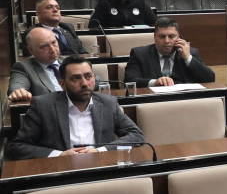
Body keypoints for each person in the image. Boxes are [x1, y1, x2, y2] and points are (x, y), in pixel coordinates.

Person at [7, 56, 144, 160]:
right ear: (62, 84)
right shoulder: (43, 106)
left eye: (88, 76)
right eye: (76, 78)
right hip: (62, 171)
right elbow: (17, 147)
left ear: (94, 78)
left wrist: (100, 151)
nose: (84, 83)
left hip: (100, 168)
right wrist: (59, 155)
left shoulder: (108, 103)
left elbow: (136, 135)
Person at [124, 17, 215, 88]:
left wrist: (188, 58)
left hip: (184, 100)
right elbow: (129, 80)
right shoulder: (139, 54)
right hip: (153, 101)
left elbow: (210, 78)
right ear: (155, 37)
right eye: (162, 36)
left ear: (178, 37)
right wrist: (154, 82)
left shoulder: (191, 52)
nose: (167, 41)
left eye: (171, 36)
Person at [9, 28, 71, 101]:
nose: (53, 50)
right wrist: (18, 91)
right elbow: (17, 85)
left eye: (53, 43)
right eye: (44, 46)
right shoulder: (23, 67)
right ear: (31, 50)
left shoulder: (70, 62)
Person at [22, 0, 87, 55]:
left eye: (58, 8)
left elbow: (82, 51)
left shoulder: (68, 27)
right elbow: (32, 58)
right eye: (49, 7)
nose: (55, 10)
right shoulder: (33, 33)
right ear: (38, 14)